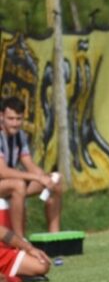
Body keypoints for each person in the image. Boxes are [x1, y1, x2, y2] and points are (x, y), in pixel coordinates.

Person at [0, 97, 63, 237]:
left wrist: (46, 178)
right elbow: (3, 172)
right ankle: (20, 241)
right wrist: (37, 177)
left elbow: (29, 164)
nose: (15, 123)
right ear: (1, 116)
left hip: (6, 184)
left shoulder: (19, 135)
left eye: (18, 119)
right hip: (5, 182)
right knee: (18, 185)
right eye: (11, 119)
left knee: (55, 182)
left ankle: (56, 241)